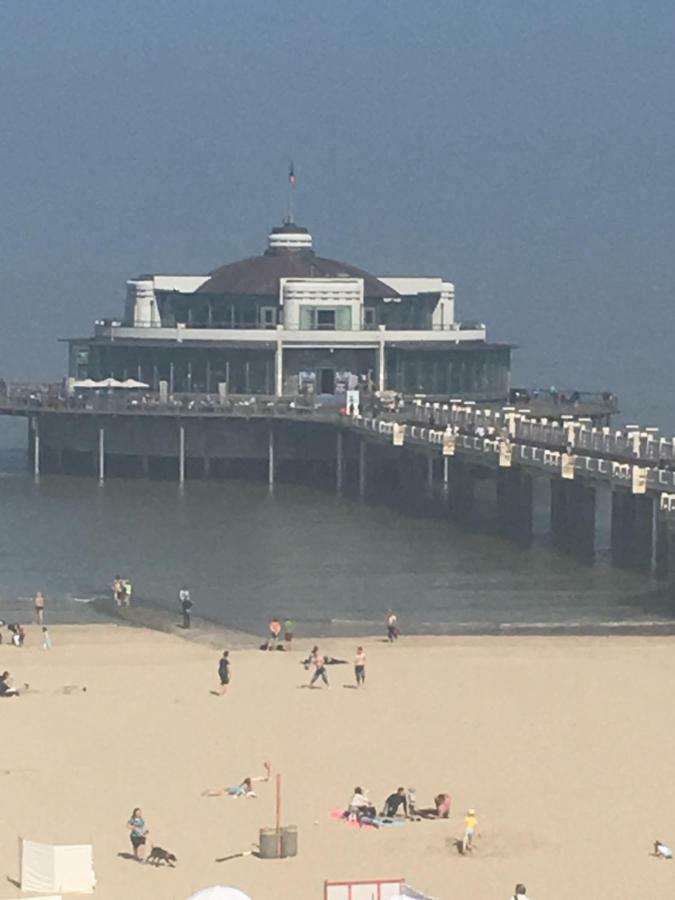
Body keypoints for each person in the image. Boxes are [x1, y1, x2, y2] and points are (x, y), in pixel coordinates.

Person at [203, 762, 271, 798]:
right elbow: (267, 778)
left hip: (239, 789)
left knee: (225, 792)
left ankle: (210, 793)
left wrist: (268, 769)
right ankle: (210, 793)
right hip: (239, 789)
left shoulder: (250, 782)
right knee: (224, 792)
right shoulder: (251, 782)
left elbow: (267, 778)